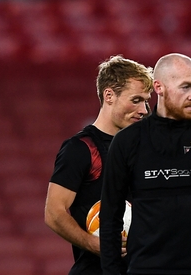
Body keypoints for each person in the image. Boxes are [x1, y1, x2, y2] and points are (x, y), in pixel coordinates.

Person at [100, 53, 191, 275]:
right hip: (145, 269)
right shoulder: (127, 142)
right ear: (159, 87)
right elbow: (110, 216)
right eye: (185, 87)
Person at [44, 55, 154, 275]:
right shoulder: (81, 148)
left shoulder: (146, 148)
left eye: (146, 100)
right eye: (136, 100)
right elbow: (53, 213)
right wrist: (94, 244)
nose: (144, 109)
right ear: (109, 95)